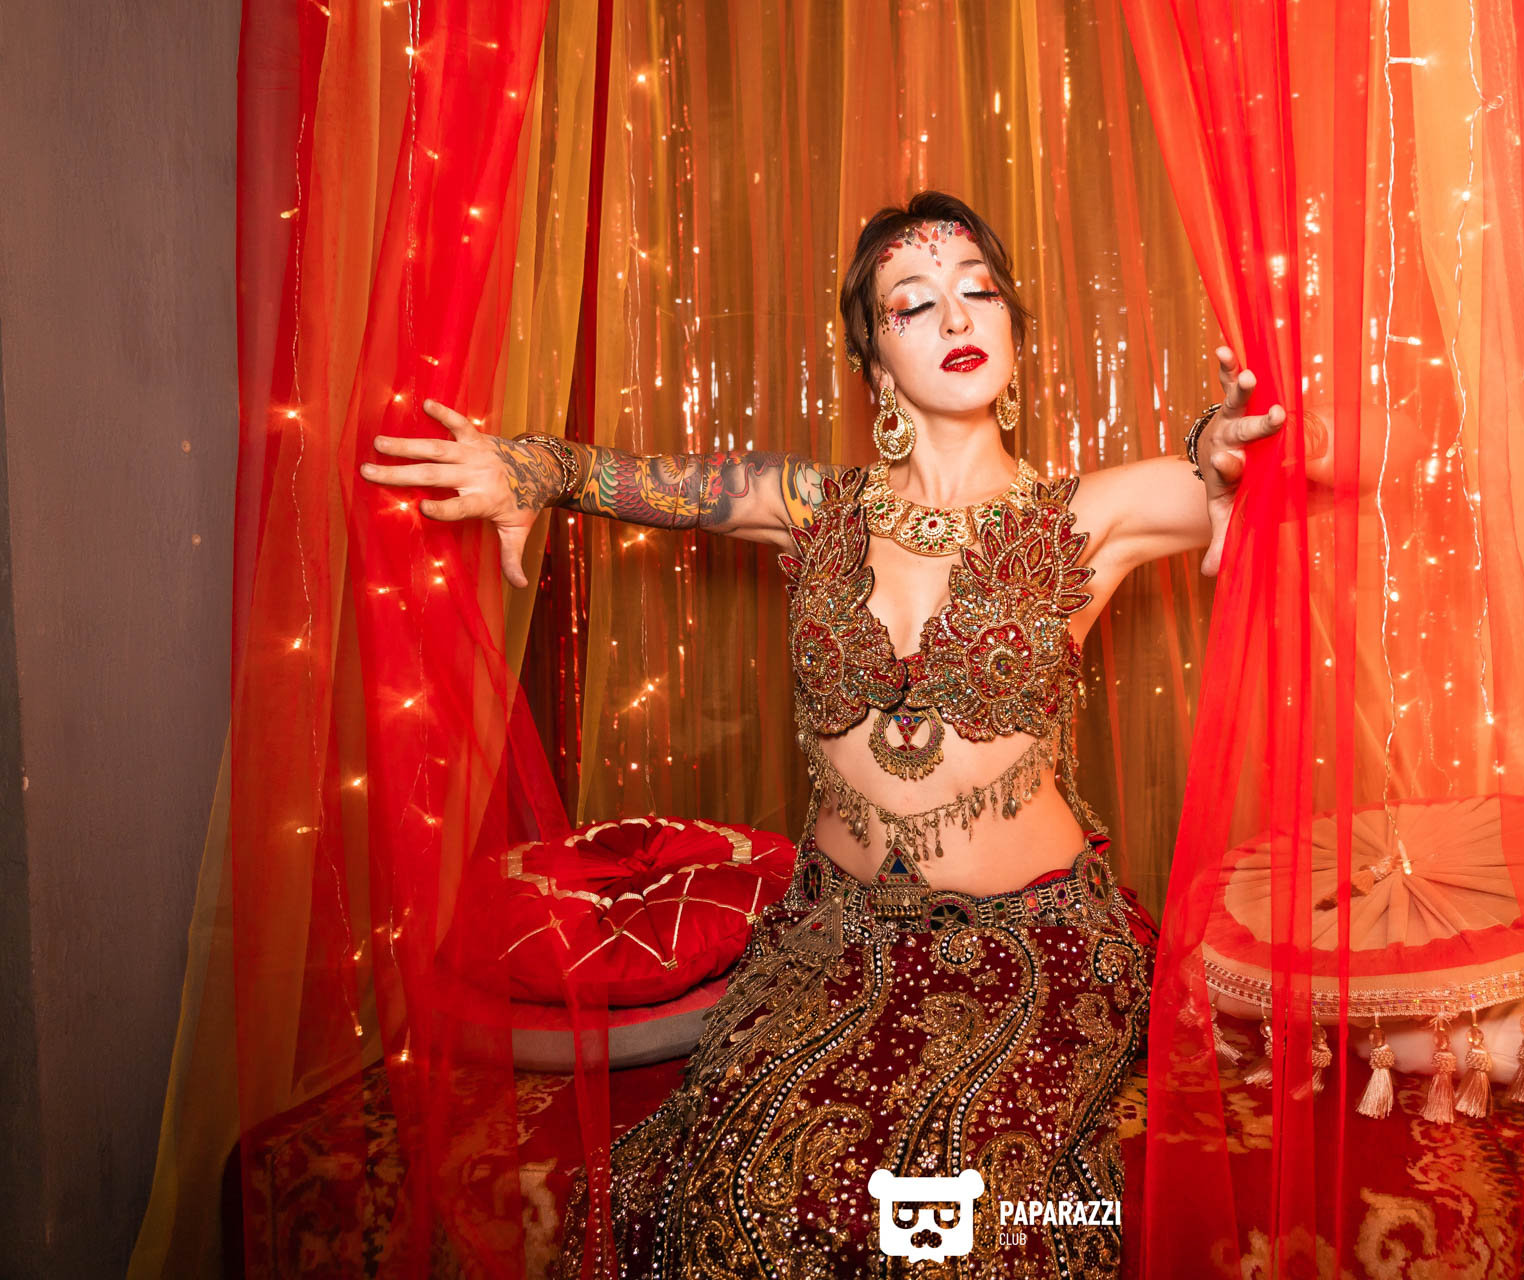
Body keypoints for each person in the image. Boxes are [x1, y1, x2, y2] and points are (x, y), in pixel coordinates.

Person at [360, 189, 1287, 1277]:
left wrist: (1227, 444)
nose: (955, 317)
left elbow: (1266, 467)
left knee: (952, 1229)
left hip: (1029, 946)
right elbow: (640, 483)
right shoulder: (812, 507)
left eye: (979, 292)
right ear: (874, 362)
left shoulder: (1088, 514)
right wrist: (527, 468)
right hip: (833, 936)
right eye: (914, 303)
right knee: (719, 1195)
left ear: (1013, 332)